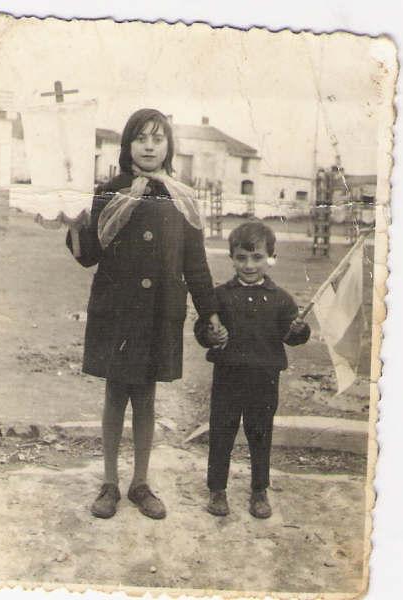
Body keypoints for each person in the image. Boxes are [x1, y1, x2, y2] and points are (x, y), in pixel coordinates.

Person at [66, 108, 221, 520]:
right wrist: (75, 225)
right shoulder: (109, 191)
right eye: (141, 138)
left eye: (157, 138)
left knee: (146, 397)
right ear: (128, 145)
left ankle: (140, 483)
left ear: (169, 146)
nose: (149, 146)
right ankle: (109, 483)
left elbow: (196, 263)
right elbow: (89, 254)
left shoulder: (182, 197)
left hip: (159, 313)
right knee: (116, 394)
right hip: (117, 312)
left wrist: (210, 312)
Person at [194, 219, 310, 519]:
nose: (249, 265)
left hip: (264, 379)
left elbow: (291, 336)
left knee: (260, 433)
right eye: (241, 258)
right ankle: (217, 489)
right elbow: (202, 330)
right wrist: (211, 335)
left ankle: (259, 490)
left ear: (271, 257)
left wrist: (299, 330)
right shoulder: (219, 296)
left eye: (257, 257)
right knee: (222, 432)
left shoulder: (281, 299)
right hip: (228, 378)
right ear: (231, 258)